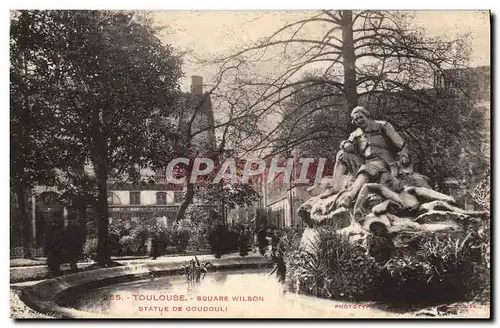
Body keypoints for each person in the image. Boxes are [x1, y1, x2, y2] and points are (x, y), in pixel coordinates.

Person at [324, 106, 410, 208]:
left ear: (367, 116)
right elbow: (347, 144)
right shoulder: (356, 133)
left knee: (368, 167)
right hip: (365, 161)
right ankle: (335, 186)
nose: (359, 120)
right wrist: (345, 144)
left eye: (361, 117)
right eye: (356, 119)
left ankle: (350, 197)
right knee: (341, 154)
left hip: (383, 161)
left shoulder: (382, 126)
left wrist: (404, 156)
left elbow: (401, 144)